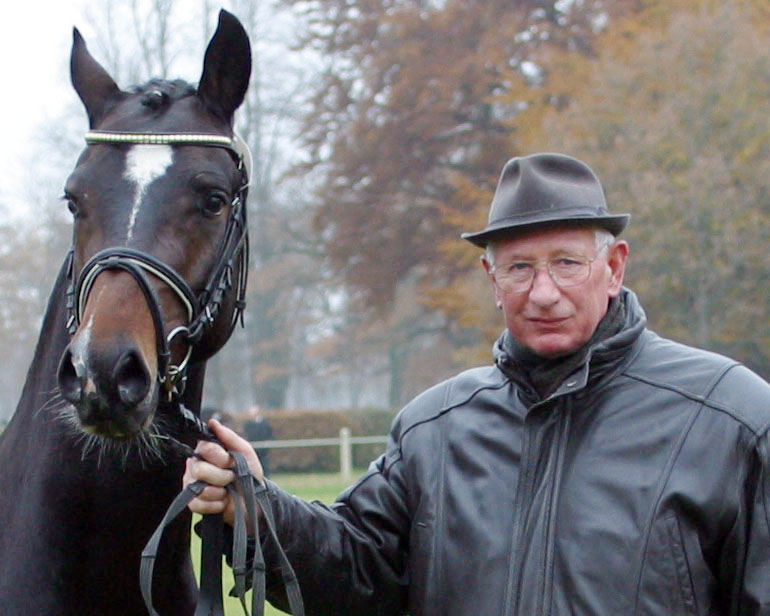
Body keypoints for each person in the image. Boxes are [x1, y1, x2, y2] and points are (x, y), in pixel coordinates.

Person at [184, 153, 770, 615]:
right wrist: (258, 511)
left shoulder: (729, 419)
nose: (543, 292)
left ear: (614, 267)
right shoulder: (433, 432)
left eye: (567, 262)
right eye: (520, 267)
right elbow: (357, 580)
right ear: (492, 279)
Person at [241, 404, 274, 476]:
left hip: (263, 451)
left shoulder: (265, 424)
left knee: (264, 467)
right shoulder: (248, 424)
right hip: (253, 449)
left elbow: (269, 434)